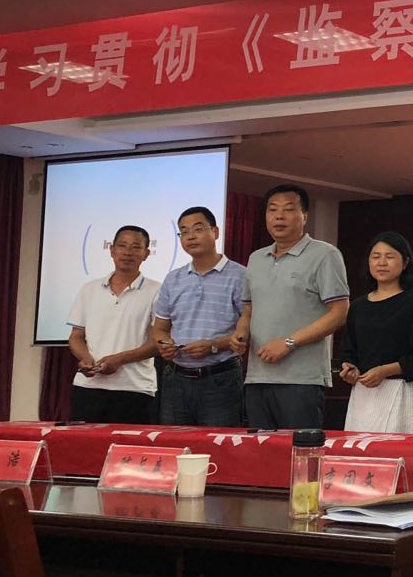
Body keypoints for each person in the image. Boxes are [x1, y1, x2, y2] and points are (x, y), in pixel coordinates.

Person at [231, 184, 349, 429]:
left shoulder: (325, 254)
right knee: (261, 449)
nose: (279, 216)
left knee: (299, 449)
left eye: (288, 209)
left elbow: (339, 313)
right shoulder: (256, 258)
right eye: (272, 210)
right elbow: (249, 309)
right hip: (256, 378)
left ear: (304, 216)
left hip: (301, 380)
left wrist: (288, 343)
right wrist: (240, 334)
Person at [150, 206, 246, 426]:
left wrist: (214, 346)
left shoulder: (240, 275)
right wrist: (164, 344)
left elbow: (249, 326)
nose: (190, 236)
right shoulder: (173, 279)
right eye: (184, 231)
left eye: (198, 229)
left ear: (215, 232)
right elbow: (160, 328)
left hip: (220, 378)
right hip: (175, 378)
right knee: (173, 442)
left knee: (217, 442)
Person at [337, 232, 413, 433]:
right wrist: (350, 368)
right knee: (361, 448)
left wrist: (386, 370)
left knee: (400, 449)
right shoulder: (358, 306)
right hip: (365, 393)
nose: (381, 263)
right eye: (376, 257)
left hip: (403, 390)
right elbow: (348, 351)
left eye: (389, 257)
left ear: (405, 262)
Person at [67, 225, 160, 423]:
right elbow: (76, 337)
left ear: (146, 254)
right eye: (122, 245)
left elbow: (157, 343)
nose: (128, 252)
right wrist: (86, 359)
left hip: (135, 388)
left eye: (136, 247)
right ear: (111, 250)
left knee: (129, 443)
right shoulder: (90, 289)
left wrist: (119, 359)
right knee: (84, 442)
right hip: (88, 387)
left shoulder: (157, 291)